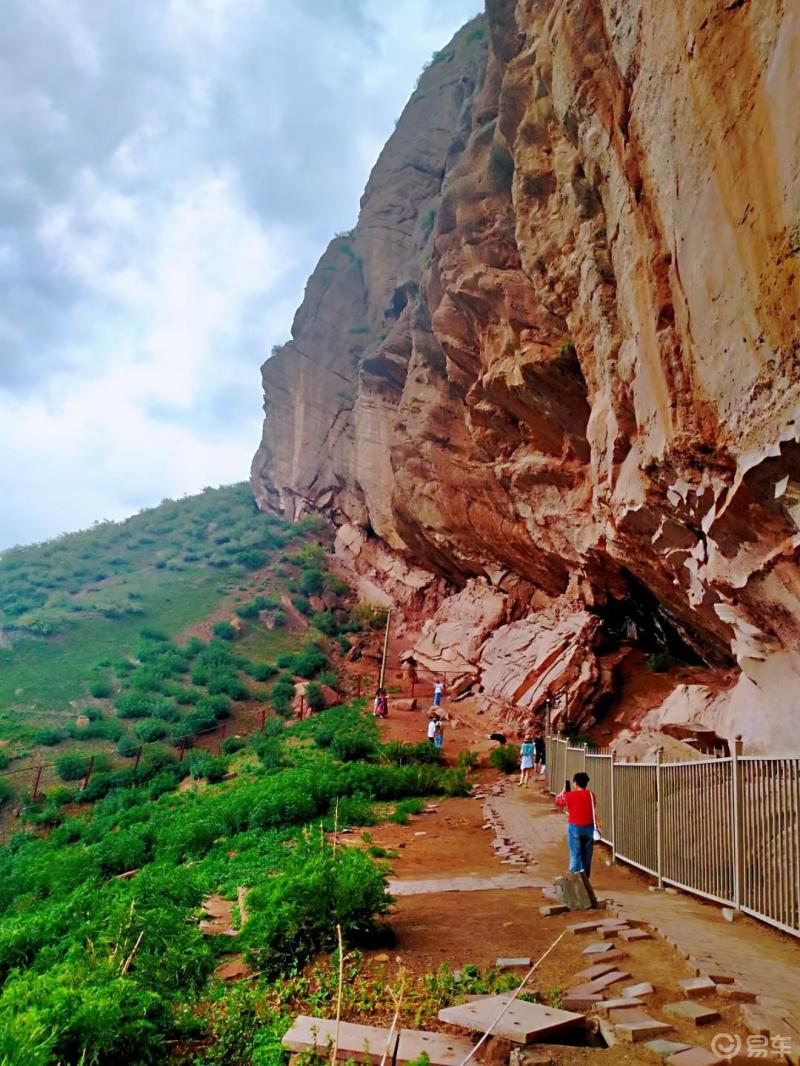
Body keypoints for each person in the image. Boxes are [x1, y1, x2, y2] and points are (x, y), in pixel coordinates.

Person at [555, 772, 600, 878]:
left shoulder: (569, 795)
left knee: (575, 854)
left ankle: (575, 879)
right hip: (589, 828)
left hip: (575, 828)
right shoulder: (591, 795)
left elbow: (558, 801)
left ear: (575, 783)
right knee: (587, 856)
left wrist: (563, 791)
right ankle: (585, 879)